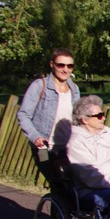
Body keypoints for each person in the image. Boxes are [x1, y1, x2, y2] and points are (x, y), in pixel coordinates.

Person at [17, 48, 80, 184]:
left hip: (67, 148)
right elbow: (23, 115)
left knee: (71, 184)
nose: (65, 69)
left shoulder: (74, 89)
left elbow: (77, 118)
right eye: (61, 65)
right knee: (54, 180)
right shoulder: (39, 86)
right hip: (43, 148)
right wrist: (35, 136)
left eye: (69, 66)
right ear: (52, 64)